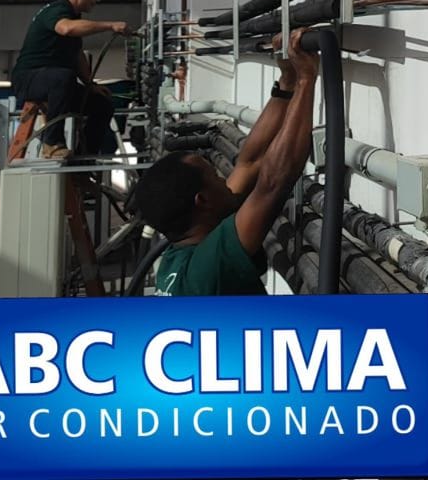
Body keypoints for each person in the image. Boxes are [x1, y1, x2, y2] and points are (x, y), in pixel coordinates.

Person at [132, 30, 318, 296]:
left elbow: (249, 163)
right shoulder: (207, 270)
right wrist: (306, 79)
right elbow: (273, 183)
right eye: (215, 177)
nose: (224, 179)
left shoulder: (182, 251)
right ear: (202, 201)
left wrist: (288, 80)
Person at [10, 0, 130, 161]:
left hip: (55, 83)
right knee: (63, 77)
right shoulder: (56, 11)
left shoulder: (73, 16)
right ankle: (52, 143)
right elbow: (66, 28)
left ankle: (86, 156)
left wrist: (90, 85)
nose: (96, 1)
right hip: (28, 79)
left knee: (102, 104)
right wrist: (110, 25)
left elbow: (77, 54)